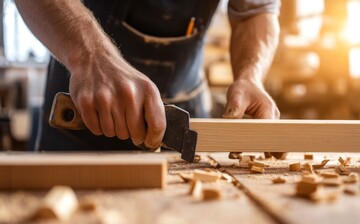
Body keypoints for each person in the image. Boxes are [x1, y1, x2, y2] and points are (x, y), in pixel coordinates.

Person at [15, 0, 281, 151]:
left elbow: (255, 11)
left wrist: (251, 75)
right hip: (85, 112)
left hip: (184, 119)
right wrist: (90, 57)